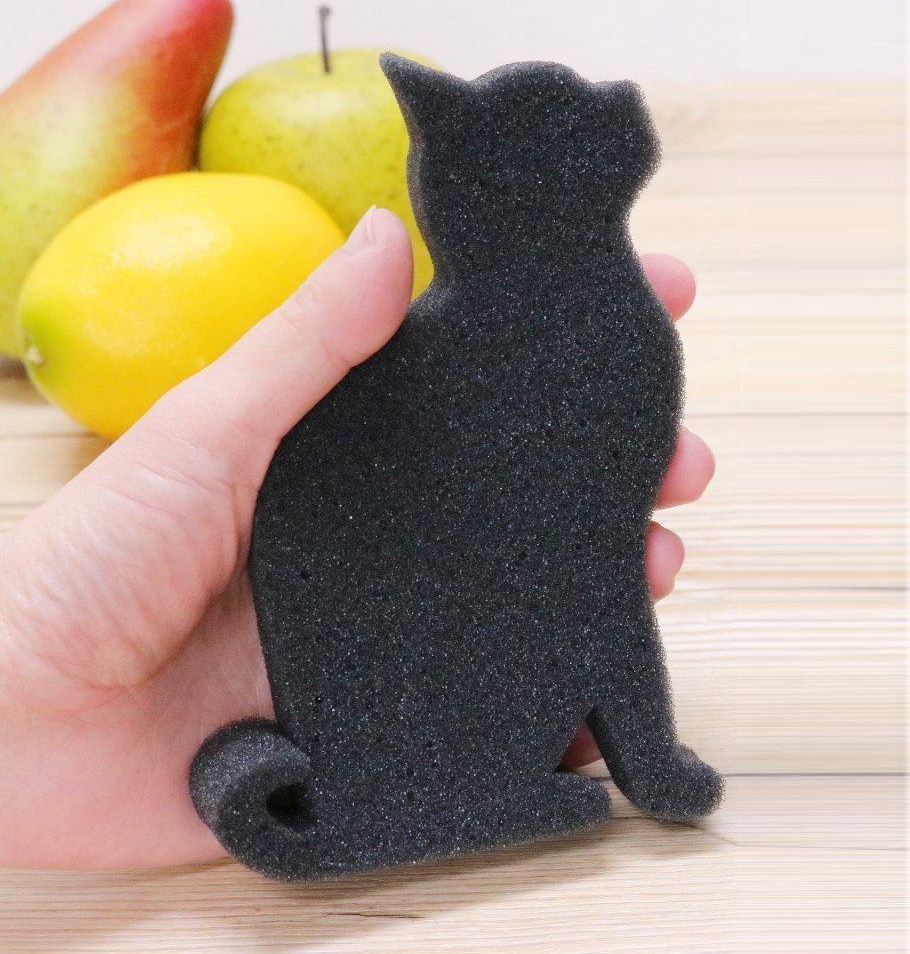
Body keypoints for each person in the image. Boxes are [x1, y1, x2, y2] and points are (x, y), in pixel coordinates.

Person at [0, 208, 714, 870]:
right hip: (383, 704)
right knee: (572, 578)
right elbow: (596, 582)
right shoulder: (558, 344)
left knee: (563, 579)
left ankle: (470, 784)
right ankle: (463, 791)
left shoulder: (569, 343)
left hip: (386, 698)